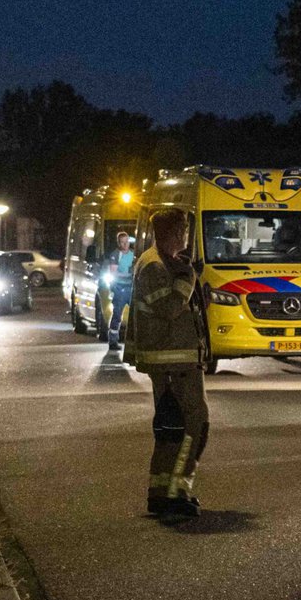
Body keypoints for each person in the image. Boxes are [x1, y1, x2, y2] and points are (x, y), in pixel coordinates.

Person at [126, 209, 208, 517]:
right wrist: (187, 280)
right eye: (184, 231)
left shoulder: (161, 262)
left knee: (172, 427)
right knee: (191, 425)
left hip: (175, 361)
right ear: (174, 233)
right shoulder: (154, 266)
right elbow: (170, 308)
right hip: (173, 362)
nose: (186, 236)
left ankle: (165, 492)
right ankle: (174, 492)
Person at [104, 231, 135, 353]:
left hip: (131, 288)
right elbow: (114, 272)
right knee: (117, 315)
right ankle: (113, 341)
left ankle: (133, 342)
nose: (125, 244)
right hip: (120, 289)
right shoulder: (115, 255)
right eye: (122, 242)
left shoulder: (133, 255)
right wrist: (129, 275)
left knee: (134, 316)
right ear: (119, 243)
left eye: (127, 242)